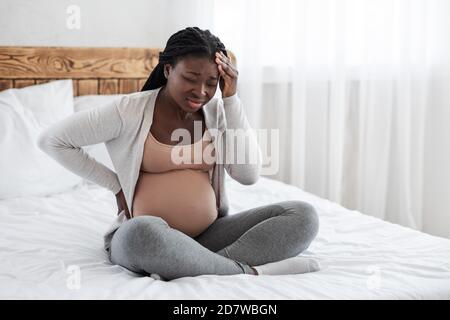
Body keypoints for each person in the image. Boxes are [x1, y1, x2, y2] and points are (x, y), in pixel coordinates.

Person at [38, 27, 320, 281]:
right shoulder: (129, 110)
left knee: (303, 215)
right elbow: (53, 140)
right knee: (142, 234)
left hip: (209, 236)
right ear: (168, 69)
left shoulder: (218, 113)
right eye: (191, 78)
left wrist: (231, 99)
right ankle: (248, 271)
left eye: (211, 83)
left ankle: (199, 264)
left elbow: (248, 176)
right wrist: (115, 186)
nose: (201, 91)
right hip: (146, 236)